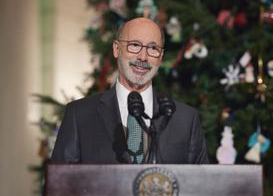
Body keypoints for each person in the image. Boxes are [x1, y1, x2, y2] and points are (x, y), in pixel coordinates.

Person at [51, 17, 208, 164]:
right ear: (116, 49)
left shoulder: (185, 119)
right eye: (134, 45)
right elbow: (59, 185)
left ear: (160, 57)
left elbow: (201, 186)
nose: (143, 57)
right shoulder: (79, 115)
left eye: (153, 48)